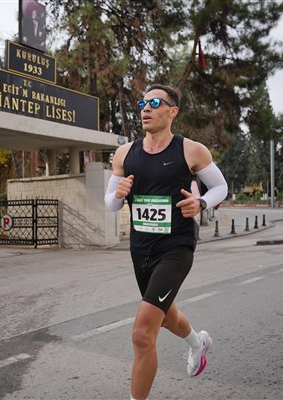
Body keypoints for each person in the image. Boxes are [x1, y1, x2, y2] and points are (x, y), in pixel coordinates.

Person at [104, 84, 228, 400]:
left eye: (155, 102)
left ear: (173, 111)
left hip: (176, 248)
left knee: (142, 334)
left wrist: (200, 203)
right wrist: (118, 194)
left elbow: (220, 187)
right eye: (142, 103)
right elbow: (111, 204)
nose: (145, 108)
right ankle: (198, 343)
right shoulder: (125, 153)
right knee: (166, 315)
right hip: (140, 250)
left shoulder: (191, 150)